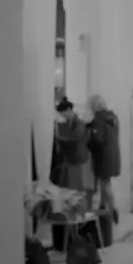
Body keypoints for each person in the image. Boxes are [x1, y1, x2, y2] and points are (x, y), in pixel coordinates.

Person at [86, 95, 121, 223]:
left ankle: (112, 209)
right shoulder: (112, 117)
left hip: (103, 156)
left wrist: (88, 141)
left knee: (104, 185)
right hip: (113, 155)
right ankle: (105, 208)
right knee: (106, 183)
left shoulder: (99, 119)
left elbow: (98, 139)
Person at [53, 97, 95, 197]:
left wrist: (58, 138)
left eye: (62, 113)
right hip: (72, 158)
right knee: (73, 187)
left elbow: (75, 138)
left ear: (68, 110)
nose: (62, 116)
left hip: (79, 158)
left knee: (78, 187)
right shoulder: (66, 123)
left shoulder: (79, 123)